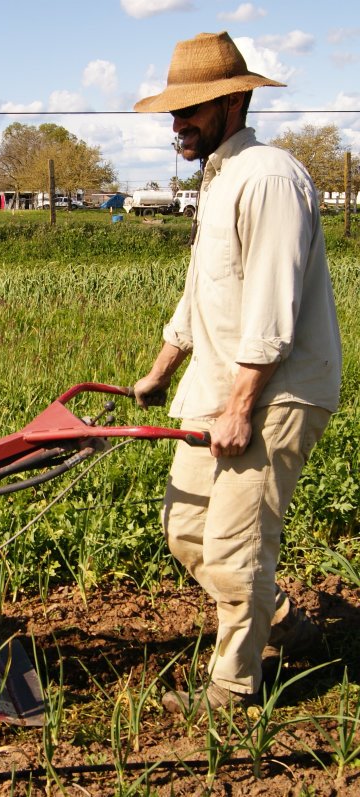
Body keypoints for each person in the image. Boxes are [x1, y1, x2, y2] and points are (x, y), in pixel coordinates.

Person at [132, 31, 341, 714]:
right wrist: (162, 370)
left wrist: (242, 405)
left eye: (190, 109)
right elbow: (204, 294)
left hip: (273, 390)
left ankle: (232, 686)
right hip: (219, 387)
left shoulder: (270, 178)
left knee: (233, 543)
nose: (177, 123)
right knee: (187, 527)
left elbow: (271, 309)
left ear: (235, 101)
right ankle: (279, 618)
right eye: (174, 110)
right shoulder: (219, 181)